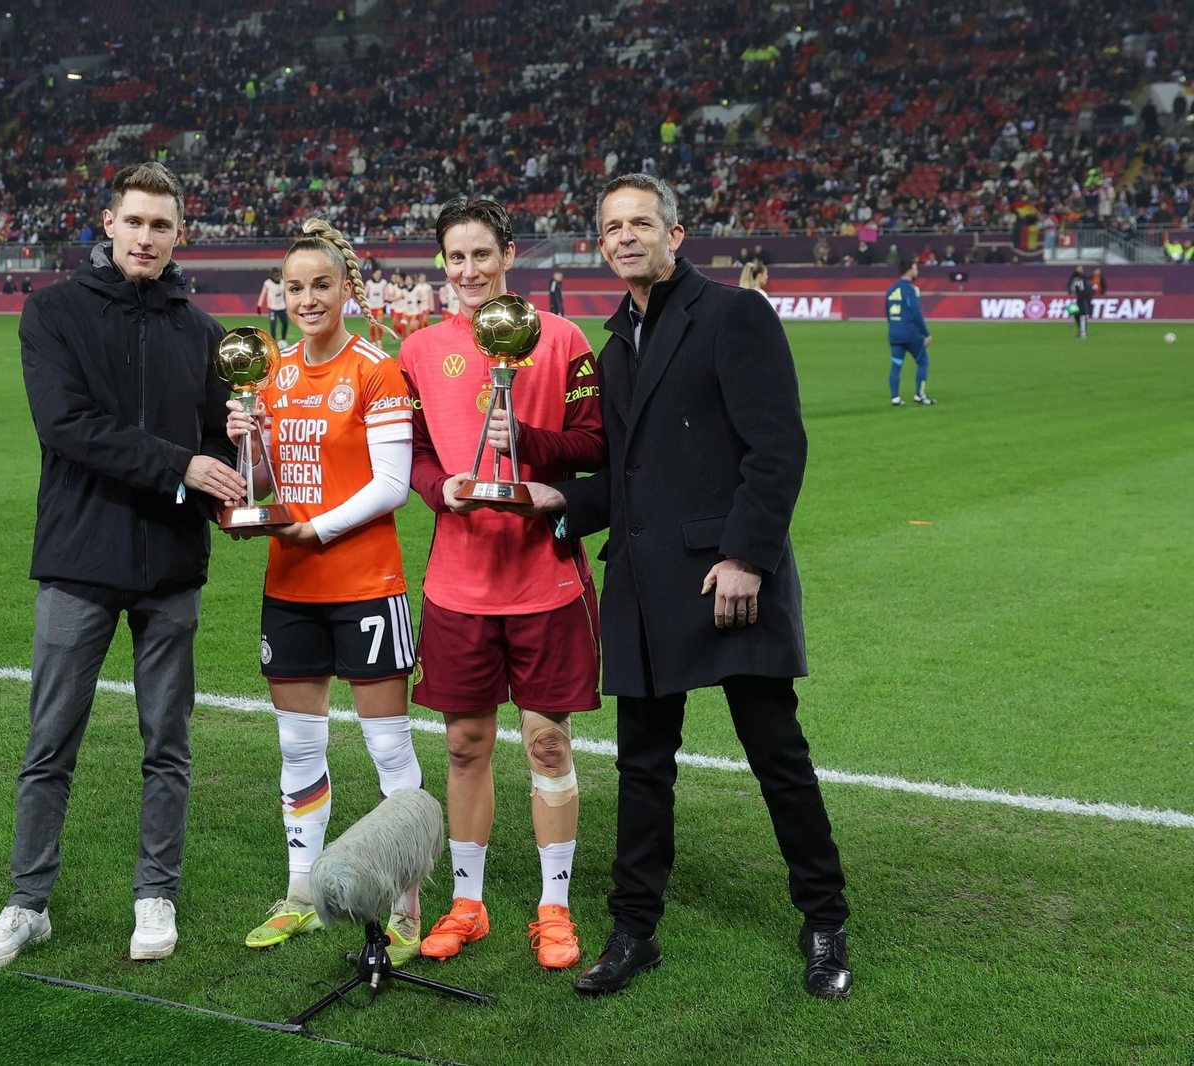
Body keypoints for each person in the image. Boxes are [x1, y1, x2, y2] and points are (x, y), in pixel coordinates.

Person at [518, 174, 852, 1000]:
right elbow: (629, 478)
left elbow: (776, 449)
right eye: (610, 227)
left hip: (725, 579)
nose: (625, 237)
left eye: (640, 223)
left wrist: (747, 557)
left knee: (777, 755)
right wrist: (564, 501)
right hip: (645, 581)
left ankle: (825, 919)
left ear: (677, 232)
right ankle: (635, 930)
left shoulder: (735, 314)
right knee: (642, 766)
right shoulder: (616, 341)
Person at [0, 162, 244, 970]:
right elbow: (66, 426)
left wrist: (230, 454)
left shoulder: (205, 332)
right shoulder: (51, 312)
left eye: (162, 226)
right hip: (80, 556)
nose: (147, 238)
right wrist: (182, 466)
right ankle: (27, 902)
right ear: (109, 223)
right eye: (135, 222)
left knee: (169, 740)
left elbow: (222, 444)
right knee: (50, 740)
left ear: (178, 234)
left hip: (170, 561)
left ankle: (155, 892)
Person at [400, 197, 606, 971]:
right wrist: (438, 488)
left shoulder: (563, 338)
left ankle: (553, 908)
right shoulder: (420, 349)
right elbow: (414, 451)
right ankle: (468, 902)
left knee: (548, 744)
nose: (468, 271)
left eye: (481, 255)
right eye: (455, 258)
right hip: (459, 583)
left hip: (545, 582)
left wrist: (528, 445)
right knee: (463, 745)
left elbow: (594, 442)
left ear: (508, 254)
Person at [227, 218, 426, 965]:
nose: (307, 299)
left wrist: (315, 531)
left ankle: (405, 907)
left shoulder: (377, 369)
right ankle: (301, 893)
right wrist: (245, 441)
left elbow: (392, 486)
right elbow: (272, 484)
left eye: (321, 286)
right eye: (296, 287)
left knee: (389, 752)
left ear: (347, 291)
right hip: (291, 588)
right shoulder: (270, 373)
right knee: (298, 750)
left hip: (365, 586)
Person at [886, 261, 934, 405]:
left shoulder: (891, 289)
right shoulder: (911, 290)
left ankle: (895, 398)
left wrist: (894, 329)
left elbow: (887, 313)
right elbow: (916, 313)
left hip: (895, 334)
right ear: (909, 271)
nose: (916, 271)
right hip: (911, 334)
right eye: (915, 268)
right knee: (923, 362)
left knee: (896, 365)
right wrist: (926, 333)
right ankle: (920, 395)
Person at [257, 266, 289, 340]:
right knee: (273, 325)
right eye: (276, 275)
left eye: (278, 275)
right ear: (272, 276)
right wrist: (259, 305)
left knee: (285, 323)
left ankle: (283, 339)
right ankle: (273, 341)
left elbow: (288, 293)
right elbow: (263, 294)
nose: (277, 277)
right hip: (273, 308)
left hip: (282, 306)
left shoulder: (283, 282)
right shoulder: (267, 283)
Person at [1069, 267, 1093, 338]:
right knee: (1077, 315)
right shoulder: (1074, 280)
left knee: (1082, 315)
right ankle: (1081, 330)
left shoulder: (1084, 279)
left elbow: (1086, 290)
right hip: (1078, 300)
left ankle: (1083, 332)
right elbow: (1072, 290)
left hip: (1083, 300)